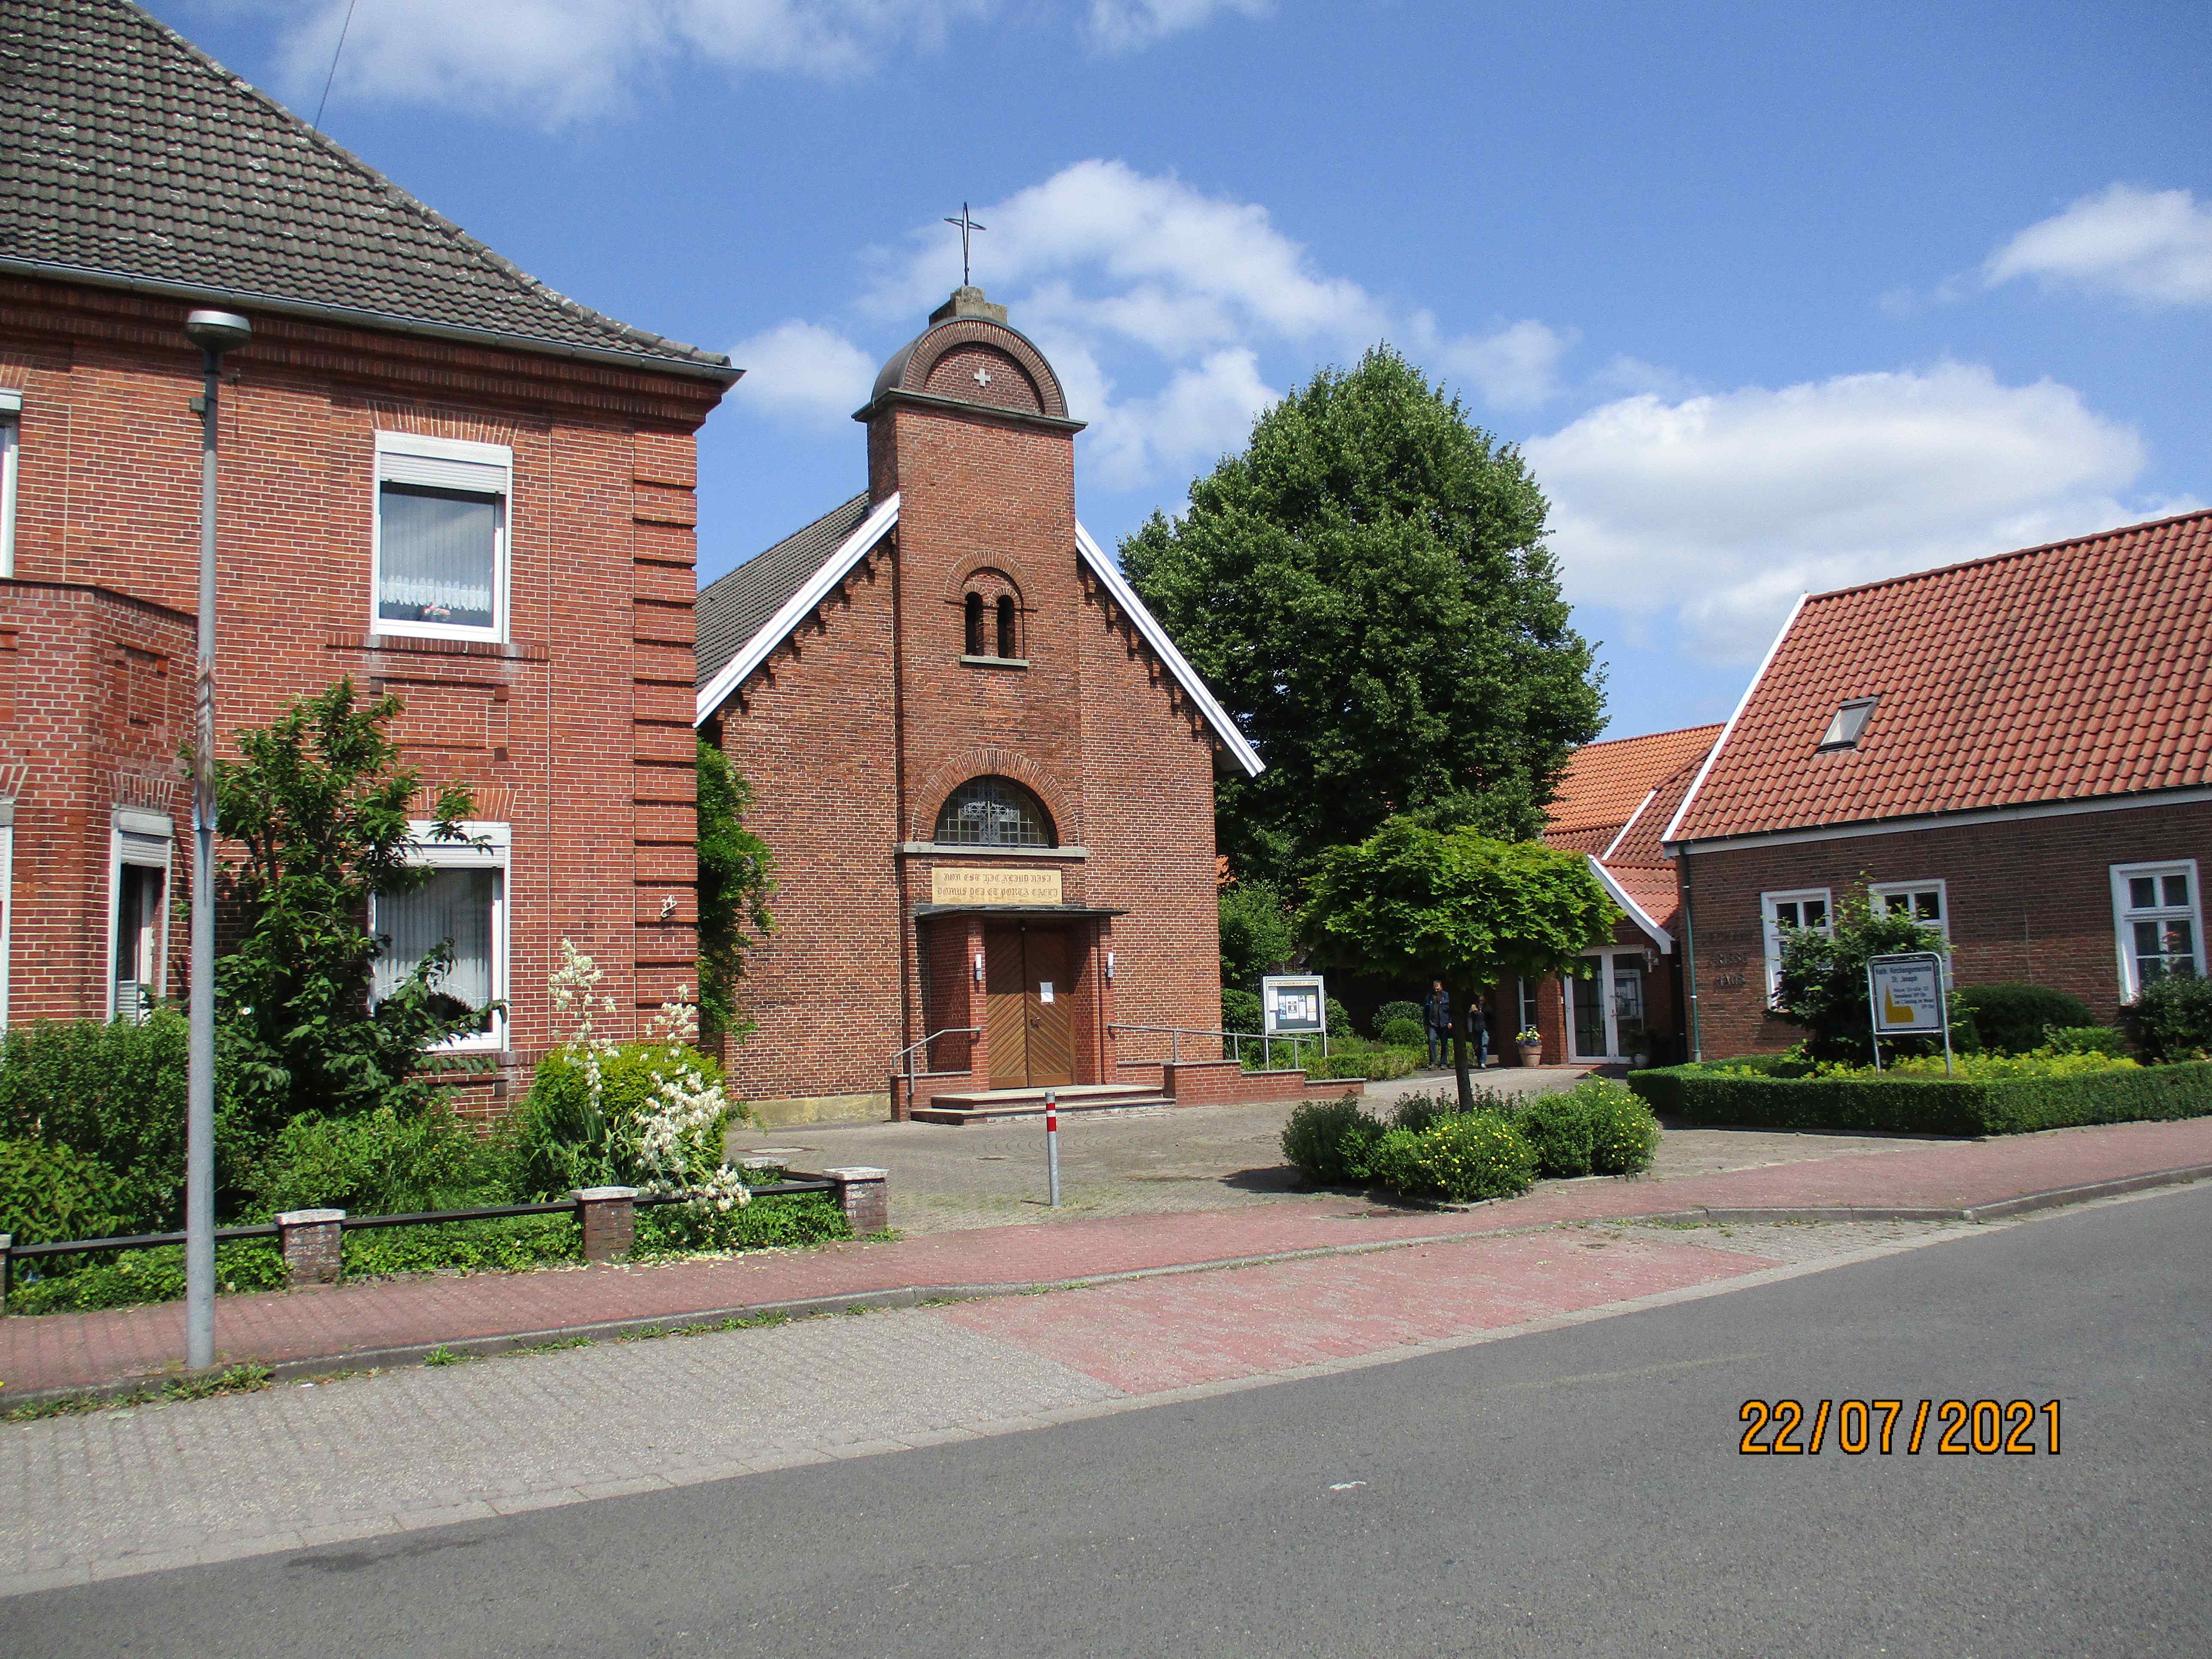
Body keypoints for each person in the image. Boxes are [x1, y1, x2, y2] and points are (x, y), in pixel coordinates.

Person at [1422, 980, 1452, 1069]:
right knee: (1431, 1041)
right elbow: (1426, 1011)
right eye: (1435, 989)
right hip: (1433, 1023)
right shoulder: (1429, 997)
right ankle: (1433, 1063)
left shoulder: (1446, 996)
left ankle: (1444, 1063)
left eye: (1438, 989)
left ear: (1442, 988)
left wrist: (1450, 1022)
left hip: (1444, 1023)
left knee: (1444, 1043)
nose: (1437, 991)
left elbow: (1450, 1010)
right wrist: (1426, 1023)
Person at [1464, 997, 1490, 1070]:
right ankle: (1479, 1060)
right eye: (1480, 1001)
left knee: (1484, 1046)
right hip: (1475, 1029)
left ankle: (1483, 1062)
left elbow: (1491, 1016)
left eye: (1482, 1001)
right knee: (1476, 1047)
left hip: (1484, 1029)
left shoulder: (1487, 1008)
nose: (1481, 1002)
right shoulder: (1473, 1007)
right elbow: (1470, 1018)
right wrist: (1470, 1029)